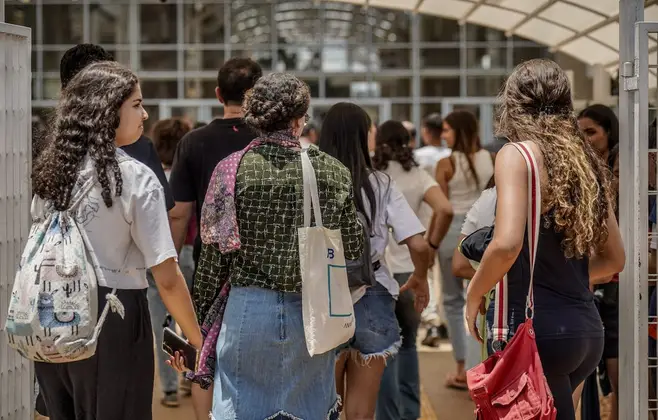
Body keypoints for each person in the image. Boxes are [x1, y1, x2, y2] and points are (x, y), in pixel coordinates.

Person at [32, 61, 202, 420]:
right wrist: (198, 341)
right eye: (137, 104)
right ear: (109, 111)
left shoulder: (53, 172)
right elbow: (167, 279)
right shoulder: (135, 178)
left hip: (51, 315)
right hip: (113, 317)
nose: (145, 113)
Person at [190, 74, 364, 419]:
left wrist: (196, 320)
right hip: (313, 312)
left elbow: (213, 259)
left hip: (247, 312)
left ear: (254, 116)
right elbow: (354, 244)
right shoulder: (332, 171)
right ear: (301, 117)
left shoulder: (230, 170)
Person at [465, 58, 625, 420]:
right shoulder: (585, 161)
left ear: (513, 101)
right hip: (585, 331)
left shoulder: (516, 155)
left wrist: (475, 293)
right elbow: (615, 259)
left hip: (535, 331)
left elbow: (506, 244)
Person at [319, 106, 431, 420]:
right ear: (360, 134)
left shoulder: (312, 183)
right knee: (362, 411)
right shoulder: (381, 183)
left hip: (326, 298)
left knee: (329, 407)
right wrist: (420, 277)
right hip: (375, 295)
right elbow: (418, 244)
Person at [167, 57, 261, 417]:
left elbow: (179, 213)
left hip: (209, 267)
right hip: (260, 269)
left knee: (203, 354)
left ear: (218, 93)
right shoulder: (269, 141)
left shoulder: (194, 143)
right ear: (257, 95)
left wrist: (172, 265)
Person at [373, 120, 453, 420]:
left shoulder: (374, 175)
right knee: (408, 345)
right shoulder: (418, 175)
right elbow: (445, 209)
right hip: (411, 272)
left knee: (384, 349)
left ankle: (389, 415)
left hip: (380, 273)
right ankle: (410, 413)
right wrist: (431, 244)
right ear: (408, 141)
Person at [59, 44, 174, 213]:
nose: (144, 114)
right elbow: (160, 219)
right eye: (136, 104)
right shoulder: (139, 164)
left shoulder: (50, 156)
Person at [434, 110, 494, 390]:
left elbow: (443, 208)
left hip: (452, 232)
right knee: (481, 296)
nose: (443, 135)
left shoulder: (445, 164)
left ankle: (462, 368)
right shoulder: (491, 159)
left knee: (453, 301)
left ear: (459, 131)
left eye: (447, 130)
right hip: (483, 232)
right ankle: (481, 368)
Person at [576, 104, 621, 419]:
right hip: (589, 273)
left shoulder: (622, 167)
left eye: (591, 131)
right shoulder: (579, 169)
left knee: (617, 358)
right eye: (580, 133)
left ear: (609, 132)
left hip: (620, 277)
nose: (585, 139)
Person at [148, 118, 195, 407]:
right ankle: (191, 376)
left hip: (157, 257)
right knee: (192, 322)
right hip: (189, 252)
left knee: (161, 326)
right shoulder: (187, 178)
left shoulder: (149, 177)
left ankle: (168, 389)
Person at [414, 113, 452, 343]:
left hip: (424, 217)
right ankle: (445, 319)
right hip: (449, 218)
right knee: (447, 275)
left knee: (426, 270)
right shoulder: (450, 156)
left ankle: (431, 319)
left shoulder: (417, 157)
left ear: (427, 132)